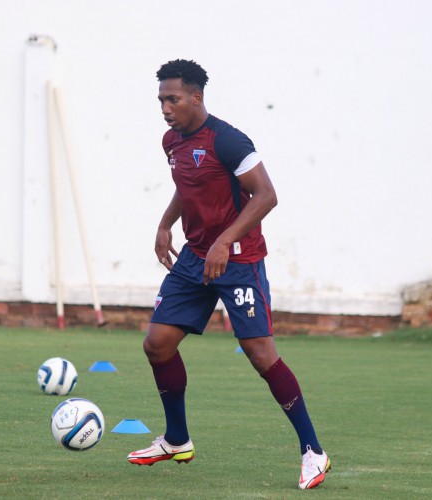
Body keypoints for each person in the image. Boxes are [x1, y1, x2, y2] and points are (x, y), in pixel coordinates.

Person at [126, 59, 331, 490]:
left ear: (196, 97)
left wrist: (225, 242)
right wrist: (165, 224)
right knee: (157, 344)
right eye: (161, 99)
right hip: (195, 258)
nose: (165, 107)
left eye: (173, 99)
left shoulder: (229, 140)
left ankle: (313, 451)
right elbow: (189, 187)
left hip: (238, 260)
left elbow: (266, 195)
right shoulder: (172, 141)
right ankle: (177, 439)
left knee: (261, 354)